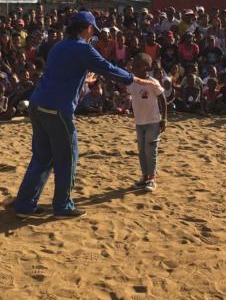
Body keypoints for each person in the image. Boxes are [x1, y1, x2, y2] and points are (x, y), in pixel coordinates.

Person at [14, 11, 156, 219]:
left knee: (42, 156)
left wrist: (85, 81)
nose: (93, 34)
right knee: (68, 157)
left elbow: (63, 74)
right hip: (57, 109)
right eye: (92, 30)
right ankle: (63, 206)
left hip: (38, 104)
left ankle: (25, 204)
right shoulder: (82, 48)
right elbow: (107, 68)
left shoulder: (59, 45)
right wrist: (133, 78)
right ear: (87, 28)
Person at [127, 53, 166, 192]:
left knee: (151, 149)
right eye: (133, 66)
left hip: (153, 121)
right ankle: (144, 176)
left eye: (138, 66)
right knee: (142, 150)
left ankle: (152, 177)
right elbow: (128, 94)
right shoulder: (132, 82)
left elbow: (162, 99)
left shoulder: (153, 82)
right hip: (139, 122)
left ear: (147, 67)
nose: (134, 68)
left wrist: (164, 118)